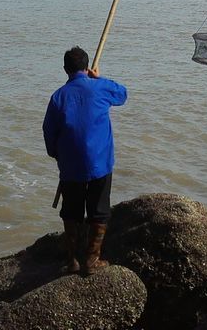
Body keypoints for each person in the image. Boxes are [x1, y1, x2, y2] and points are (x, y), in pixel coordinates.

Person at [42, 46, 127, 275]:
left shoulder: (58, 96)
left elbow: (49, 131)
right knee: (99, 210)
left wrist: (57, 155)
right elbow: (122, 94)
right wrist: (99, 78)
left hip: (71, 165)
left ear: (65, 69)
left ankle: (72, 261)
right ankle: (91, 259)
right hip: (100, 161)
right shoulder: (100, 87)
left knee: (71, 211)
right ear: (87, 67)